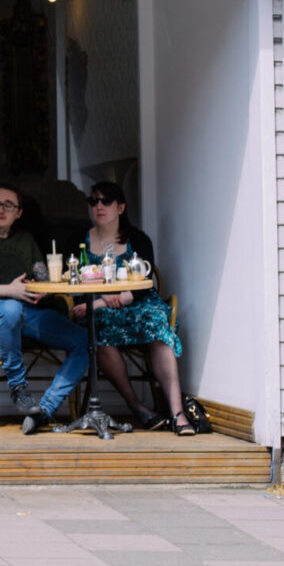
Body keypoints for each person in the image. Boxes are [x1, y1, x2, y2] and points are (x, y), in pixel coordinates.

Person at [0, 183, 88, 434]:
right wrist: (7, 290)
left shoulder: (26, 240)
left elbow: (43, 276)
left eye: (8, 205)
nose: (0, 209)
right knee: (9, 307)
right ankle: (19, 389)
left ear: (19, 213)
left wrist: (45, 288)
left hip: (29, 314)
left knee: (84, 340)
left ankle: (45, 410)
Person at [74, 181, 192, 435]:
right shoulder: (80, 241)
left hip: (137, 302)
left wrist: (117, 297)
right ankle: (136, 405)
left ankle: (177, 412)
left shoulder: (138, 239)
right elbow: (71, 278)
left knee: (157, 325)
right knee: (99, 331)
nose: (99, 206)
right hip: (99, 309)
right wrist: (98, 302)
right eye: (94, 201)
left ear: (121, 207)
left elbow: (145, 282)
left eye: (106, 201)